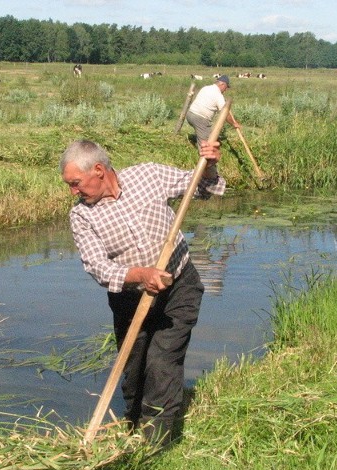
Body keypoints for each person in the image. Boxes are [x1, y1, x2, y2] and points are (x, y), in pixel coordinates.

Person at [59, 139, 225, 445]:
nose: (73, 192)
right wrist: (139, 275)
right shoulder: (82, 216)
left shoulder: (148, 176)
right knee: (134, 371)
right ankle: (133, 427)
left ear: (98, 170)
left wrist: (209, 165)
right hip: (129, 300)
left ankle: (154, 445)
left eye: (75, 183)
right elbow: (97, 267)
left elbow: (201, 188)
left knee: (163, 362)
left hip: (179, 286)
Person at [186, 75, 240, 145]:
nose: (226, 90)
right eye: (226, 87)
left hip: (190, 115)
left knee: (207, 133)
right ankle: (204, 155)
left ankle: (197, 138)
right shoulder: (218, 95)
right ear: (222, 84)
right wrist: (233, 123)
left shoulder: (206, 88)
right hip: (200, 118)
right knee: (207, 143)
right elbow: (225, 114)